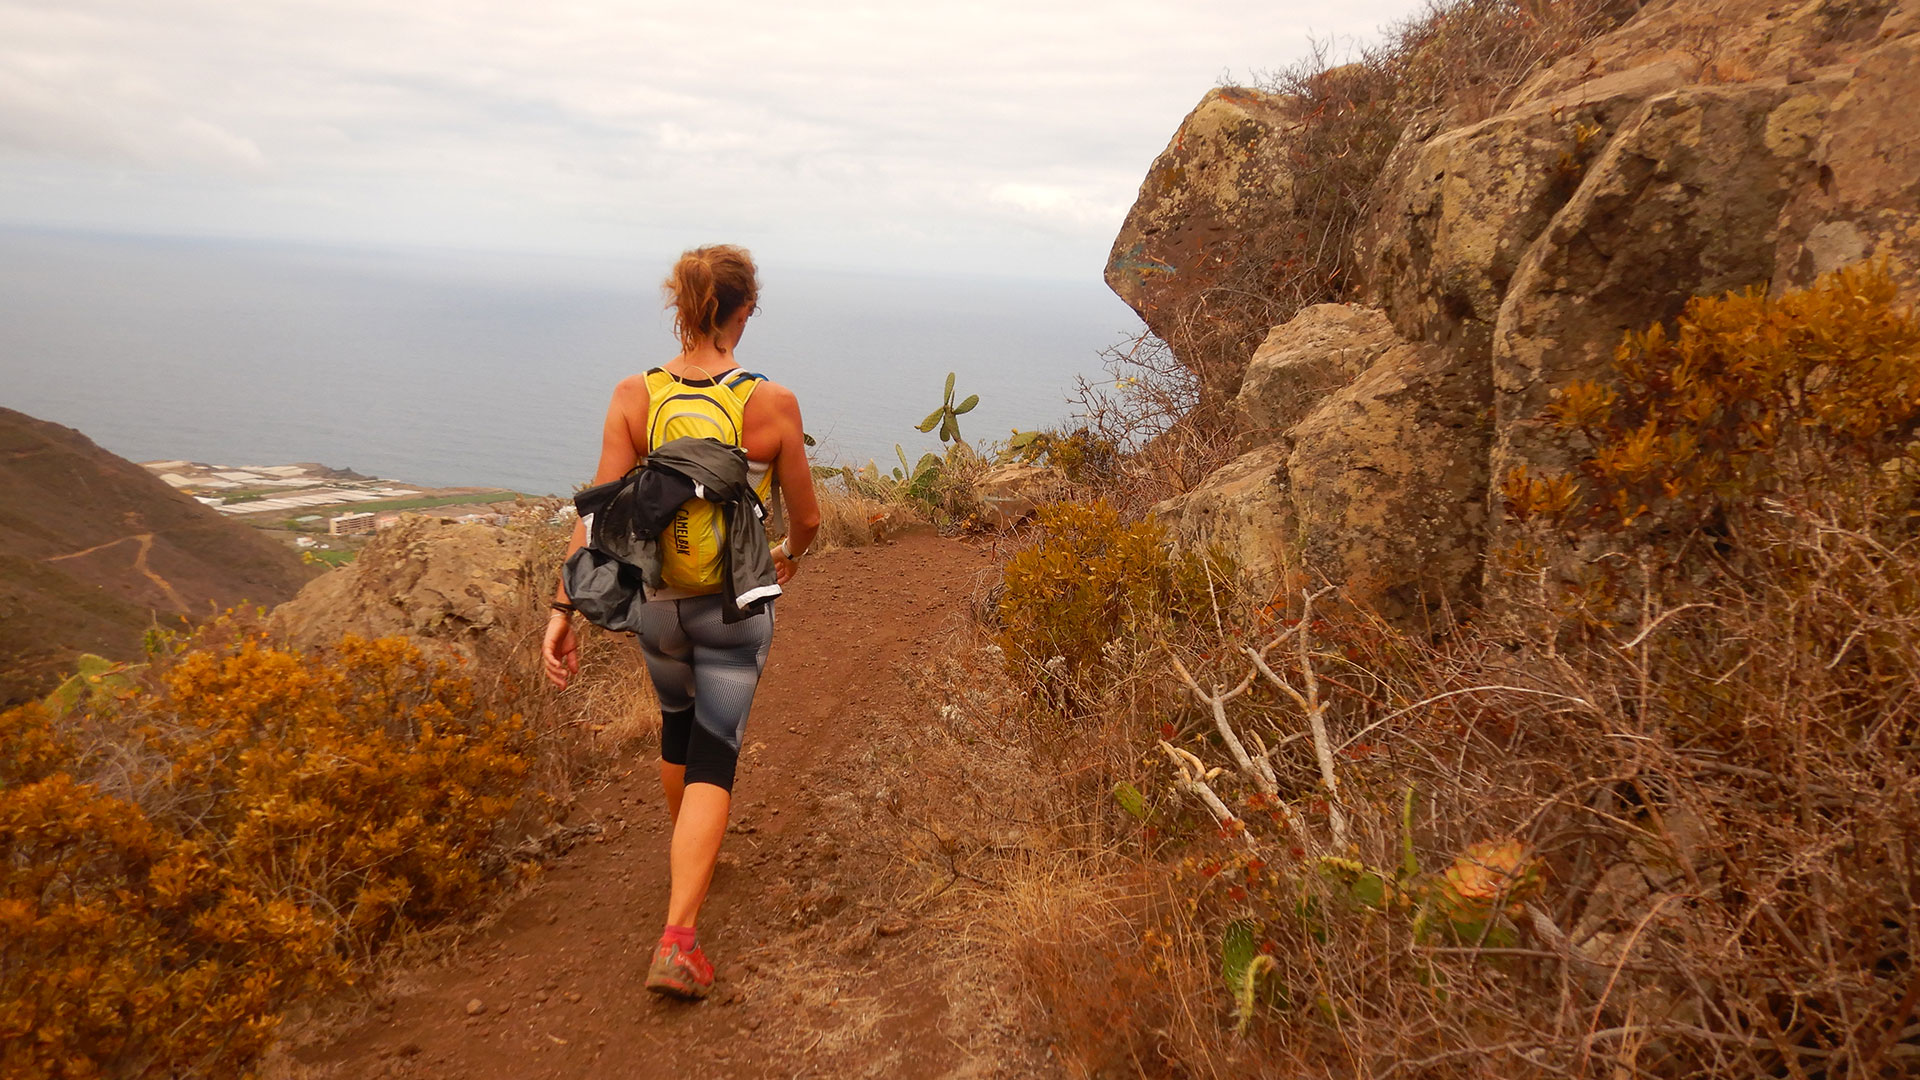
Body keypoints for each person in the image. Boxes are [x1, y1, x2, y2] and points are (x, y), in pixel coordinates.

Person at [542, 244, 820, 1000]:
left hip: (656, 607)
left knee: (676, 726)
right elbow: (808, 517)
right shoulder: (772, 405)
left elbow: (596, 518)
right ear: (744, 311)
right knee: (715, 753)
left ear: (681, 307)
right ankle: (679, 939)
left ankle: (691, 853)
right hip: (733, 612)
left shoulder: (634, 395)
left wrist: (562, 609)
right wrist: (789, 554)